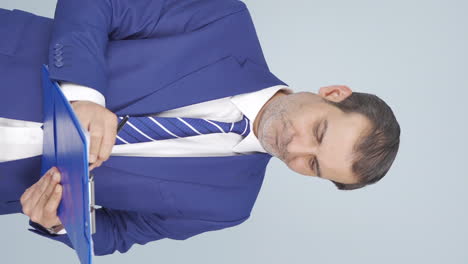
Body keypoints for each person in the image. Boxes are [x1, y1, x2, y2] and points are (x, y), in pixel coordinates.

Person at [0, 0, 400, 256]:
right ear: (332, 93)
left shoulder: (229, 206)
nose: (295, 148)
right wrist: (84, 95)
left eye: (312, 166)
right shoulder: (224, 23)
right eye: (318, 133)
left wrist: (55, 220)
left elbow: (115, 234)